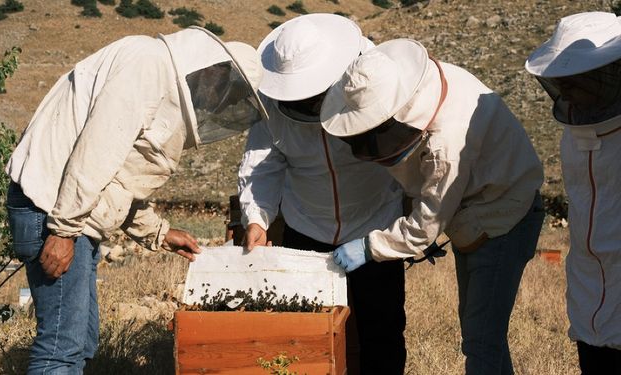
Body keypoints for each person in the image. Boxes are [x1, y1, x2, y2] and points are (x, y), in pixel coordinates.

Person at [5, 26, 267, 374]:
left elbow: (116, 180)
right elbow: (94, 156)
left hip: (68, 213)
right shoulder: (147, 66)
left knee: (81, 342)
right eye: (228, 93)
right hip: (53, 210)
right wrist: (64, 231)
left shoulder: (155, 77)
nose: (222, 103)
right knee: (60, 351)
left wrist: (160, 232)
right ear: (216, 71)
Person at [320, 38, 545, 375]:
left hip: (503, 216)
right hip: (477, 206)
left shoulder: (447, 141)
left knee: (481, 338)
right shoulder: (417, 88)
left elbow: (428, 221)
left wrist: (370, 247)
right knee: (484, 336)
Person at [238, 14, 407, 374]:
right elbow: (262, 166)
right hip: (308, 227)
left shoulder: (369, 73)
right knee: (312, 334)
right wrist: (257, 218)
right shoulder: (271, 103)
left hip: (375, 222)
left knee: (383, 329)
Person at [525, 11, 621, 374]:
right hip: (587, 282)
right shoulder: (574, 134)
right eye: (562, 82)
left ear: (609, 74)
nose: (568, 92)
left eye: (578, 80)